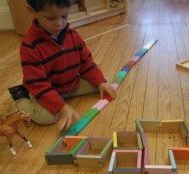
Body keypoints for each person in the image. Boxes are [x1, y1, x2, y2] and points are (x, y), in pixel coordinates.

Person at [13, 0, 116, 133]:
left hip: (72, 85)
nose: (59, 23)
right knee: (47, 117)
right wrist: (61, 107)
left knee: (103, 83)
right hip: (45, 91)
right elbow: (39, 85)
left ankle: (64, 99)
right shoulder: (30, 47)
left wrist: (100, 82)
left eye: (64, 16)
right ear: (31, 11)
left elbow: (87, 63)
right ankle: (20, 102)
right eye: (50, 18)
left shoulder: (73, 35)